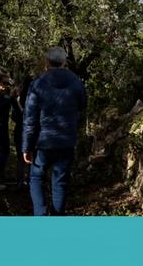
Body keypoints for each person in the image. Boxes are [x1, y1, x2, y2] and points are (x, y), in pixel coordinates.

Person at [23, 47, 87, 216]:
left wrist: (26, 147)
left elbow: (30, 119)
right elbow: (82, 104)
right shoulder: (76, 82)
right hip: (67, 140)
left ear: (47, 62)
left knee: (36, 177)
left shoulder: (37, 84)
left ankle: (40, 215)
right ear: (64, 61)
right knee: (60, 182)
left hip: (44, 142)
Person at [10, 76, 33, 188]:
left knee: (20, 156)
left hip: (19, 129)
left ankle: (19, 181)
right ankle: (30, 180)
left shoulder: (18, 99)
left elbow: (13, 117)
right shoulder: (33, 98)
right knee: (31, 155)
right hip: (30, 130)